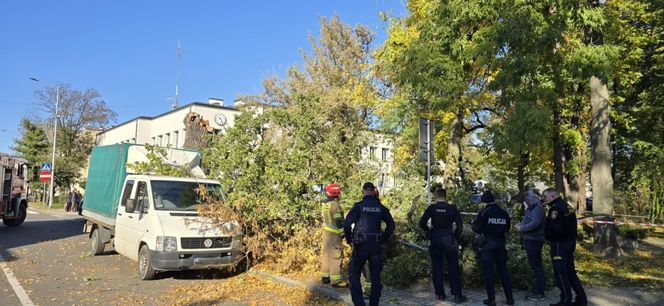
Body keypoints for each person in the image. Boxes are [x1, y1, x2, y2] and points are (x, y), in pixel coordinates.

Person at [344, 182, 395, 306]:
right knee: (375, 277)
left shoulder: (358, 206)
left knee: (354, 274)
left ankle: (359, 303)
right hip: (375, 246)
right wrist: (383, 238)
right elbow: (391, 225)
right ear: (373, 192)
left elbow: (346, 224)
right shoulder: (380, 207)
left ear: (363, 192)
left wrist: (349, 239)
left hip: (360, 245)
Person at [419, 187, 468, 303]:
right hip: (449, 239)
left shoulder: (432, 208)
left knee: (437, 268)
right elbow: (460, 226)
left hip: (436, 238)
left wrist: (429, 233)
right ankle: (457, 295)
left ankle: (440, 294)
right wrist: (455, 237)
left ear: (436, 196)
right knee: (453, 268)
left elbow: (422, 223)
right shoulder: (452, 208)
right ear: (446, 196)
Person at [542, 188, 587, 306]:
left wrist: (547, 235)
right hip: (569, 242)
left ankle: (566, 300)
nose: (544, 199)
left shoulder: (556, 208)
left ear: (552, 196)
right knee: (570, 271)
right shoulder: (568, 206)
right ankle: (581, 299)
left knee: (560, 272)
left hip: (559, 244)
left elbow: (556, 229)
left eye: (546, 197)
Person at [471, 190, 514, 306]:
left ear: (484, 202)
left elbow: (476, 228)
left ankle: (492, 300)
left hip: (487, 245)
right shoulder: (503, 213)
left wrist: (472, 223)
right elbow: (507, 228)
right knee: (504, 272)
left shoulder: (484, 212)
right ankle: (510, 299)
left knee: (488, 273)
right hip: (500, 244)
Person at [515, 189, 547, 301]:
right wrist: (521, 225)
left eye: (527, 199)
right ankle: (538, 289)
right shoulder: (530, 208)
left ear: (533, 197)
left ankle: (540, 292)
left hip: (535, 240)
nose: (526, 201)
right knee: (534, 265)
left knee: (536, 265)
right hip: (530, 239)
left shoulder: (538, 208)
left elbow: (535, 223)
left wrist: (522, 228)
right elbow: (528, 221)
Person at [320, 183, 348, 288]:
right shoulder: (335, 205)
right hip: (334, 235)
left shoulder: (325, 204)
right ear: (336, 193)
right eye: (339, 192)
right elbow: (339, 220)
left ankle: (325, 277)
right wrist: (343, 233)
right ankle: (336, 280)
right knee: (336, 256)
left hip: (326, 233)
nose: (340, 194)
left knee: (326, 255)